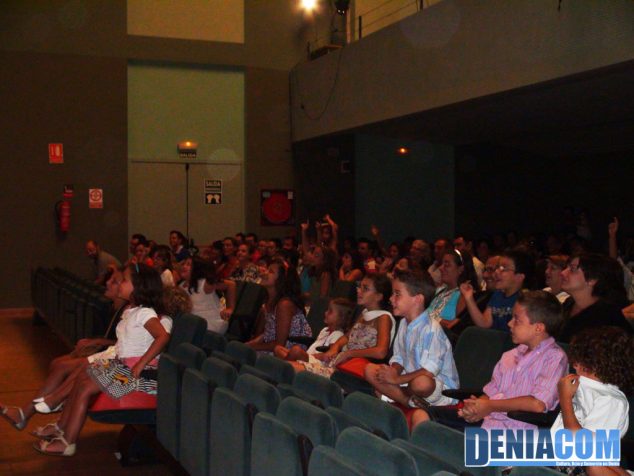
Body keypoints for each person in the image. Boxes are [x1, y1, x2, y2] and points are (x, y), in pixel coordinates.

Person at [8, 264, 173, 456]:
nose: (119, 283)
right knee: (82, 376)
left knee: (85, 389)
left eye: (124, 280)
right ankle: (61, 426)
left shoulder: (146, 313)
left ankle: (67, 440)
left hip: (135, 375)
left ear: (139, 286)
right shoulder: (132, 310)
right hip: (121, 366)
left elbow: (162, 337)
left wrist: (141, 363)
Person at [411, 290, 568, 431]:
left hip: (515, 430)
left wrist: (489, 406)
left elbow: (537, 404)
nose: (509, 323)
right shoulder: (510, 355)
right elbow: (490, 393)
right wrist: (476, 407)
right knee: (423, 415)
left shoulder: (554, 358)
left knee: (436, 432)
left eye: (517, 320)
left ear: (538, 328)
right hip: (489, 420)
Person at [365, 269, 458, 408]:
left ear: (417, 299)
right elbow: (399, 357)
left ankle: (396, 395)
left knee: (421, 383)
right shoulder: (403, 323)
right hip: (408, 380)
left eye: (397, 294)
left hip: (439, 389)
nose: (391, 298)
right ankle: (407, 401)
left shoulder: (432, 329)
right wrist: (393, 372)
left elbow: (429, 371)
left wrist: (396, 379)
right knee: (370, 370)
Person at [552, 327, 632, 476]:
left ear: (596, 365)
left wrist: (565, 400)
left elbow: (583, 447)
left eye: (580, 361)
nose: (574, 365)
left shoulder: (611, 400)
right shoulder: (582, 387)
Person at [301, 274, 395, 378]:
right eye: (360, 286)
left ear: (378, 296)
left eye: (365, 289)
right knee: (290, 363)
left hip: (354, 370)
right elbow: (346, 337)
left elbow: (381, 351)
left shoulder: (384, 317)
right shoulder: (364, 313)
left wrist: (349, 353)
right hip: (342, 362)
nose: (359, 291)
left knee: (295, 369)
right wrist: (335, 347)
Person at [558, 253, 631, 343]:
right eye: (566, 268)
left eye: (572, 269)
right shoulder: (568, 304)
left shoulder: (608, 318)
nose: (563, 273)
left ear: (592, 279)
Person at [246, 259, 312, 354]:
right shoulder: (269, 301)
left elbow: (280, 343)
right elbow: (268, 333)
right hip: (272, 346)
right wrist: (250, 344)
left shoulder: (284, 304)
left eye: (271, 271)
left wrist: (252, 346)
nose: (264, 273)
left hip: (287, 351)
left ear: (281, 279)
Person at [460, 249, 533, 331]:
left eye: (504, 268)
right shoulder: (497, 295)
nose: (497, 272)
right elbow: (484, 323)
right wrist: (469, 297)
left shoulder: (524, 300)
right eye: (498, 267)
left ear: (519, 277)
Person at [274, 297, 356, 369]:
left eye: (330, 311)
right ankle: (286, 366)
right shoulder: (324, 330)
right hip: (309, 357)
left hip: (319, 363)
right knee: (278, 348)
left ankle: (282, 368)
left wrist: (310, 356)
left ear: (341, 318)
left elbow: (327, 357)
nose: (325, 313)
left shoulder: (338, 335)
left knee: (296, 350)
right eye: (327, 310)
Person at [180, 256, 236, 334]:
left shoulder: (204, 283)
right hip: (195, 323)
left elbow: (231, 285)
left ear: (197, 269)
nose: (184, 266)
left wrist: (230, 308)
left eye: (188, 264)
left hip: (212, 322)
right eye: (184, 264)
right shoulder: (181, 286)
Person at [427, 250, 480, 329]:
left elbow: (458, 327)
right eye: (442, 264)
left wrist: (429, 319)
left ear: (460, 269)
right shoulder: (440, 291)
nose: (441, 268)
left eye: (447, 264)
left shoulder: (465, 295)